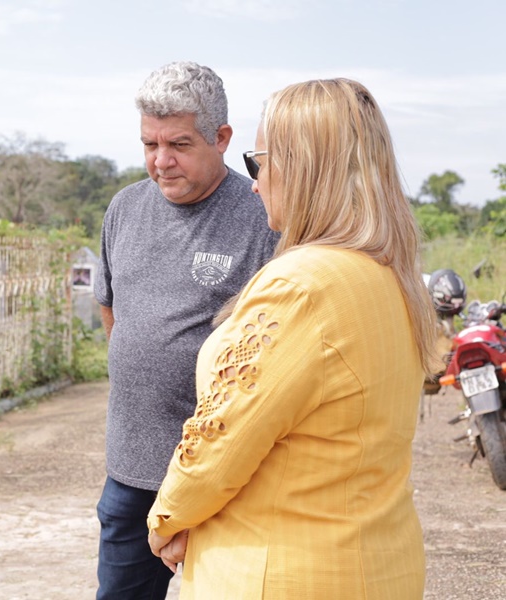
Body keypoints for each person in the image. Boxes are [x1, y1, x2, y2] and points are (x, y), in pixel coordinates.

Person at [147, 78, 441, 599]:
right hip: (376, 563)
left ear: (304, 168)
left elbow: (222, 437)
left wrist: (167, 517)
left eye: (259, 162)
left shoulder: (301, 286)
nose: (254, 183)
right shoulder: (388, 274)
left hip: (278, 572)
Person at [93, 61, 279, 598]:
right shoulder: (124, 208)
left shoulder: (261, 213)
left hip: (229, 480)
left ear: (221, 138)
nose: (161, 161)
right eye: (149, 144)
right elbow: (114, 314)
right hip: (130, 474)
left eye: (178, 144)